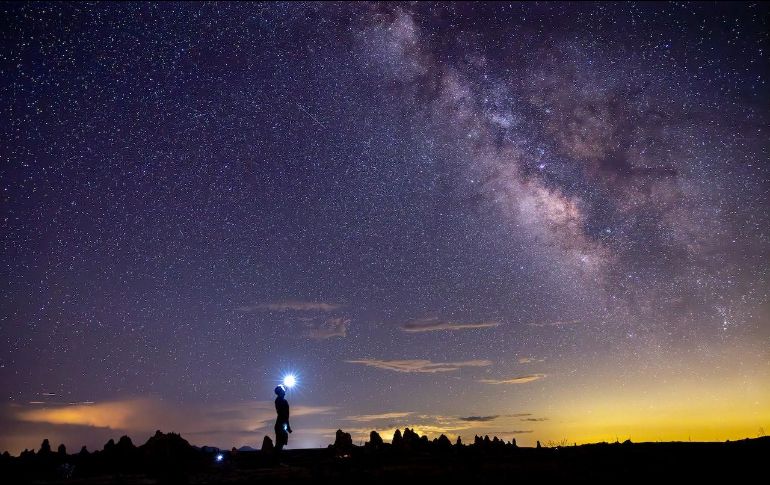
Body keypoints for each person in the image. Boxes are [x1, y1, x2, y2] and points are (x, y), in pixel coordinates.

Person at [274, 385, 292, 457]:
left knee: (280, 444)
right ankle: (276, 462)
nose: (284, 390)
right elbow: (284, 415)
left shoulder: (279, 400)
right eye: (283, 389)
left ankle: (276, 461)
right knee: (279, 444)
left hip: (281, 424)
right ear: (280, 392)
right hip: (281, 424)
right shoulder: (281, 401)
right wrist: (287, 426)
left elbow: (284, 415)